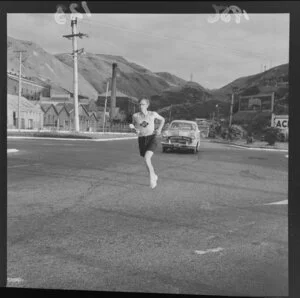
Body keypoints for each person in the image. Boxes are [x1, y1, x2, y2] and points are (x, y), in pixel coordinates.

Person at [131, 98, 165, 189]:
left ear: (147, 105)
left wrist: (159, 129)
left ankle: (152, 179)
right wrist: (134, 129)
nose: (140, 106)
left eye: (143, 104)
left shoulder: (152, 114)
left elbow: (163, 119)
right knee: (147, 161)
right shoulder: (135, 116)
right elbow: (136, 129)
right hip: (142, 139)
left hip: (152, 138)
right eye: (139, 104)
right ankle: (154, 175)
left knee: (147, 158)